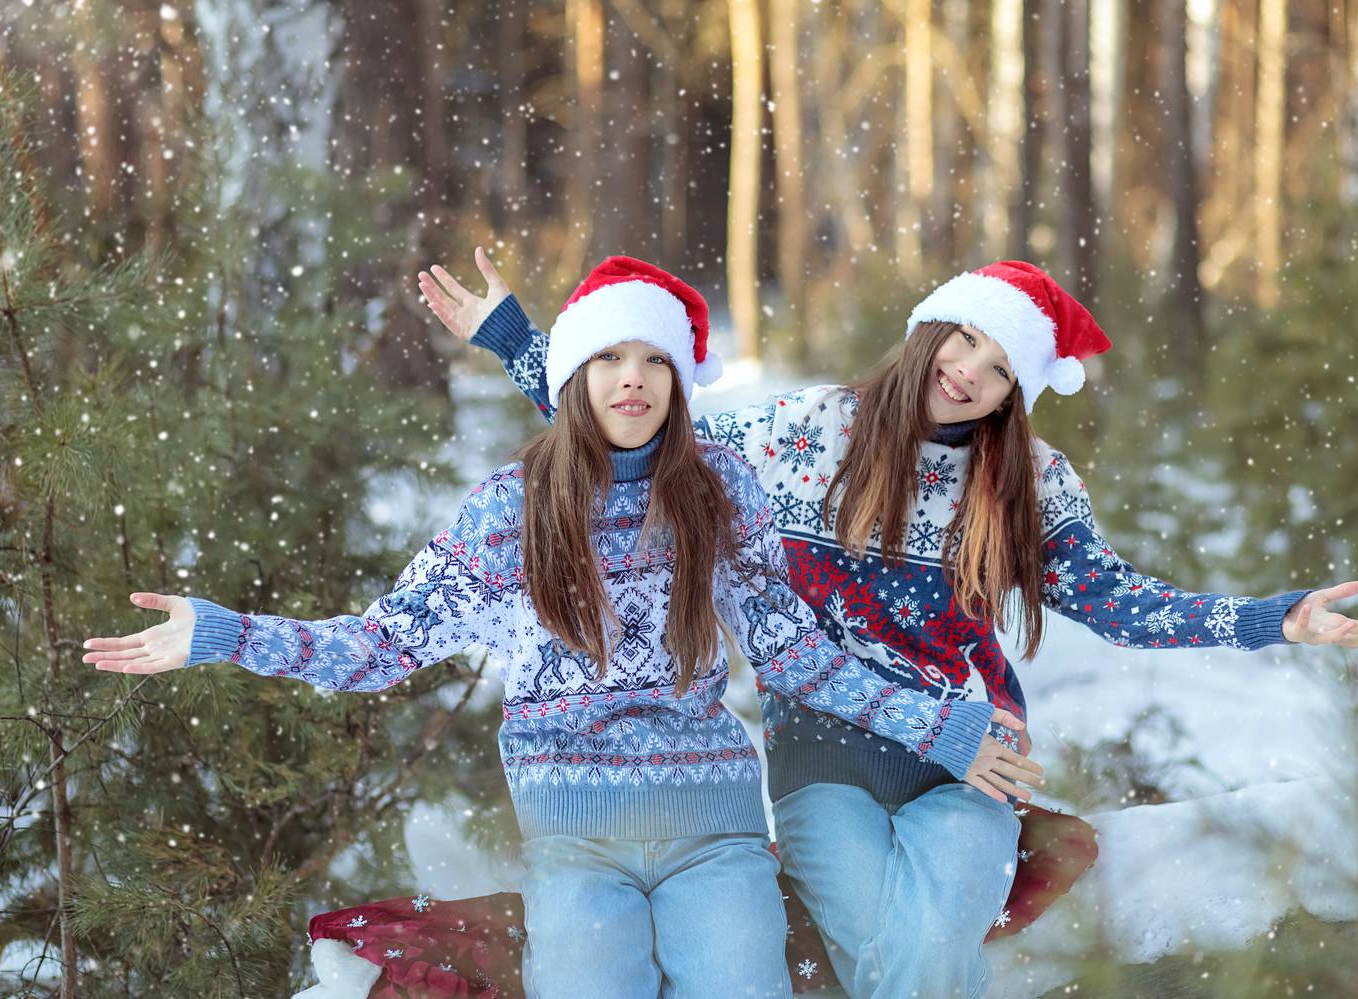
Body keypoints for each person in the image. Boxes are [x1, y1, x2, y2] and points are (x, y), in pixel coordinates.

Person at [419, 250, 1358, 998]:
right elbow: (642, 427)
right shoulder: (807, 434)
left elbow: (1119, 603)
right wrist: (514, 340)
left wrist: (1274, 620)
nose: (969, 372)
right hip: (825, 763)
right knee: (897, 954)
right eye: (963, 341)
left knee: (926, 947)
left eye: (999, 367)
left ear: (1017, 393)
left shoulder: (1029, 483)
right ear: (929, 331)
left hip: (971, 763)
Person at [84, 256, 1037, 999]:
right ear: (572, 375)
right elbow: (381, 646)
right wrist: (223, 633)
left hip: (716, 832)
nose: (634, 379)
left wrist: (944, 726)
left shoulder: (717, 493)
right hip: (577, 846)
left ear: (679, 382)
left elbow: (797, 655)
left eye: (655, 360)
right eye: (609, 358)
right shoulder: (510, 512)